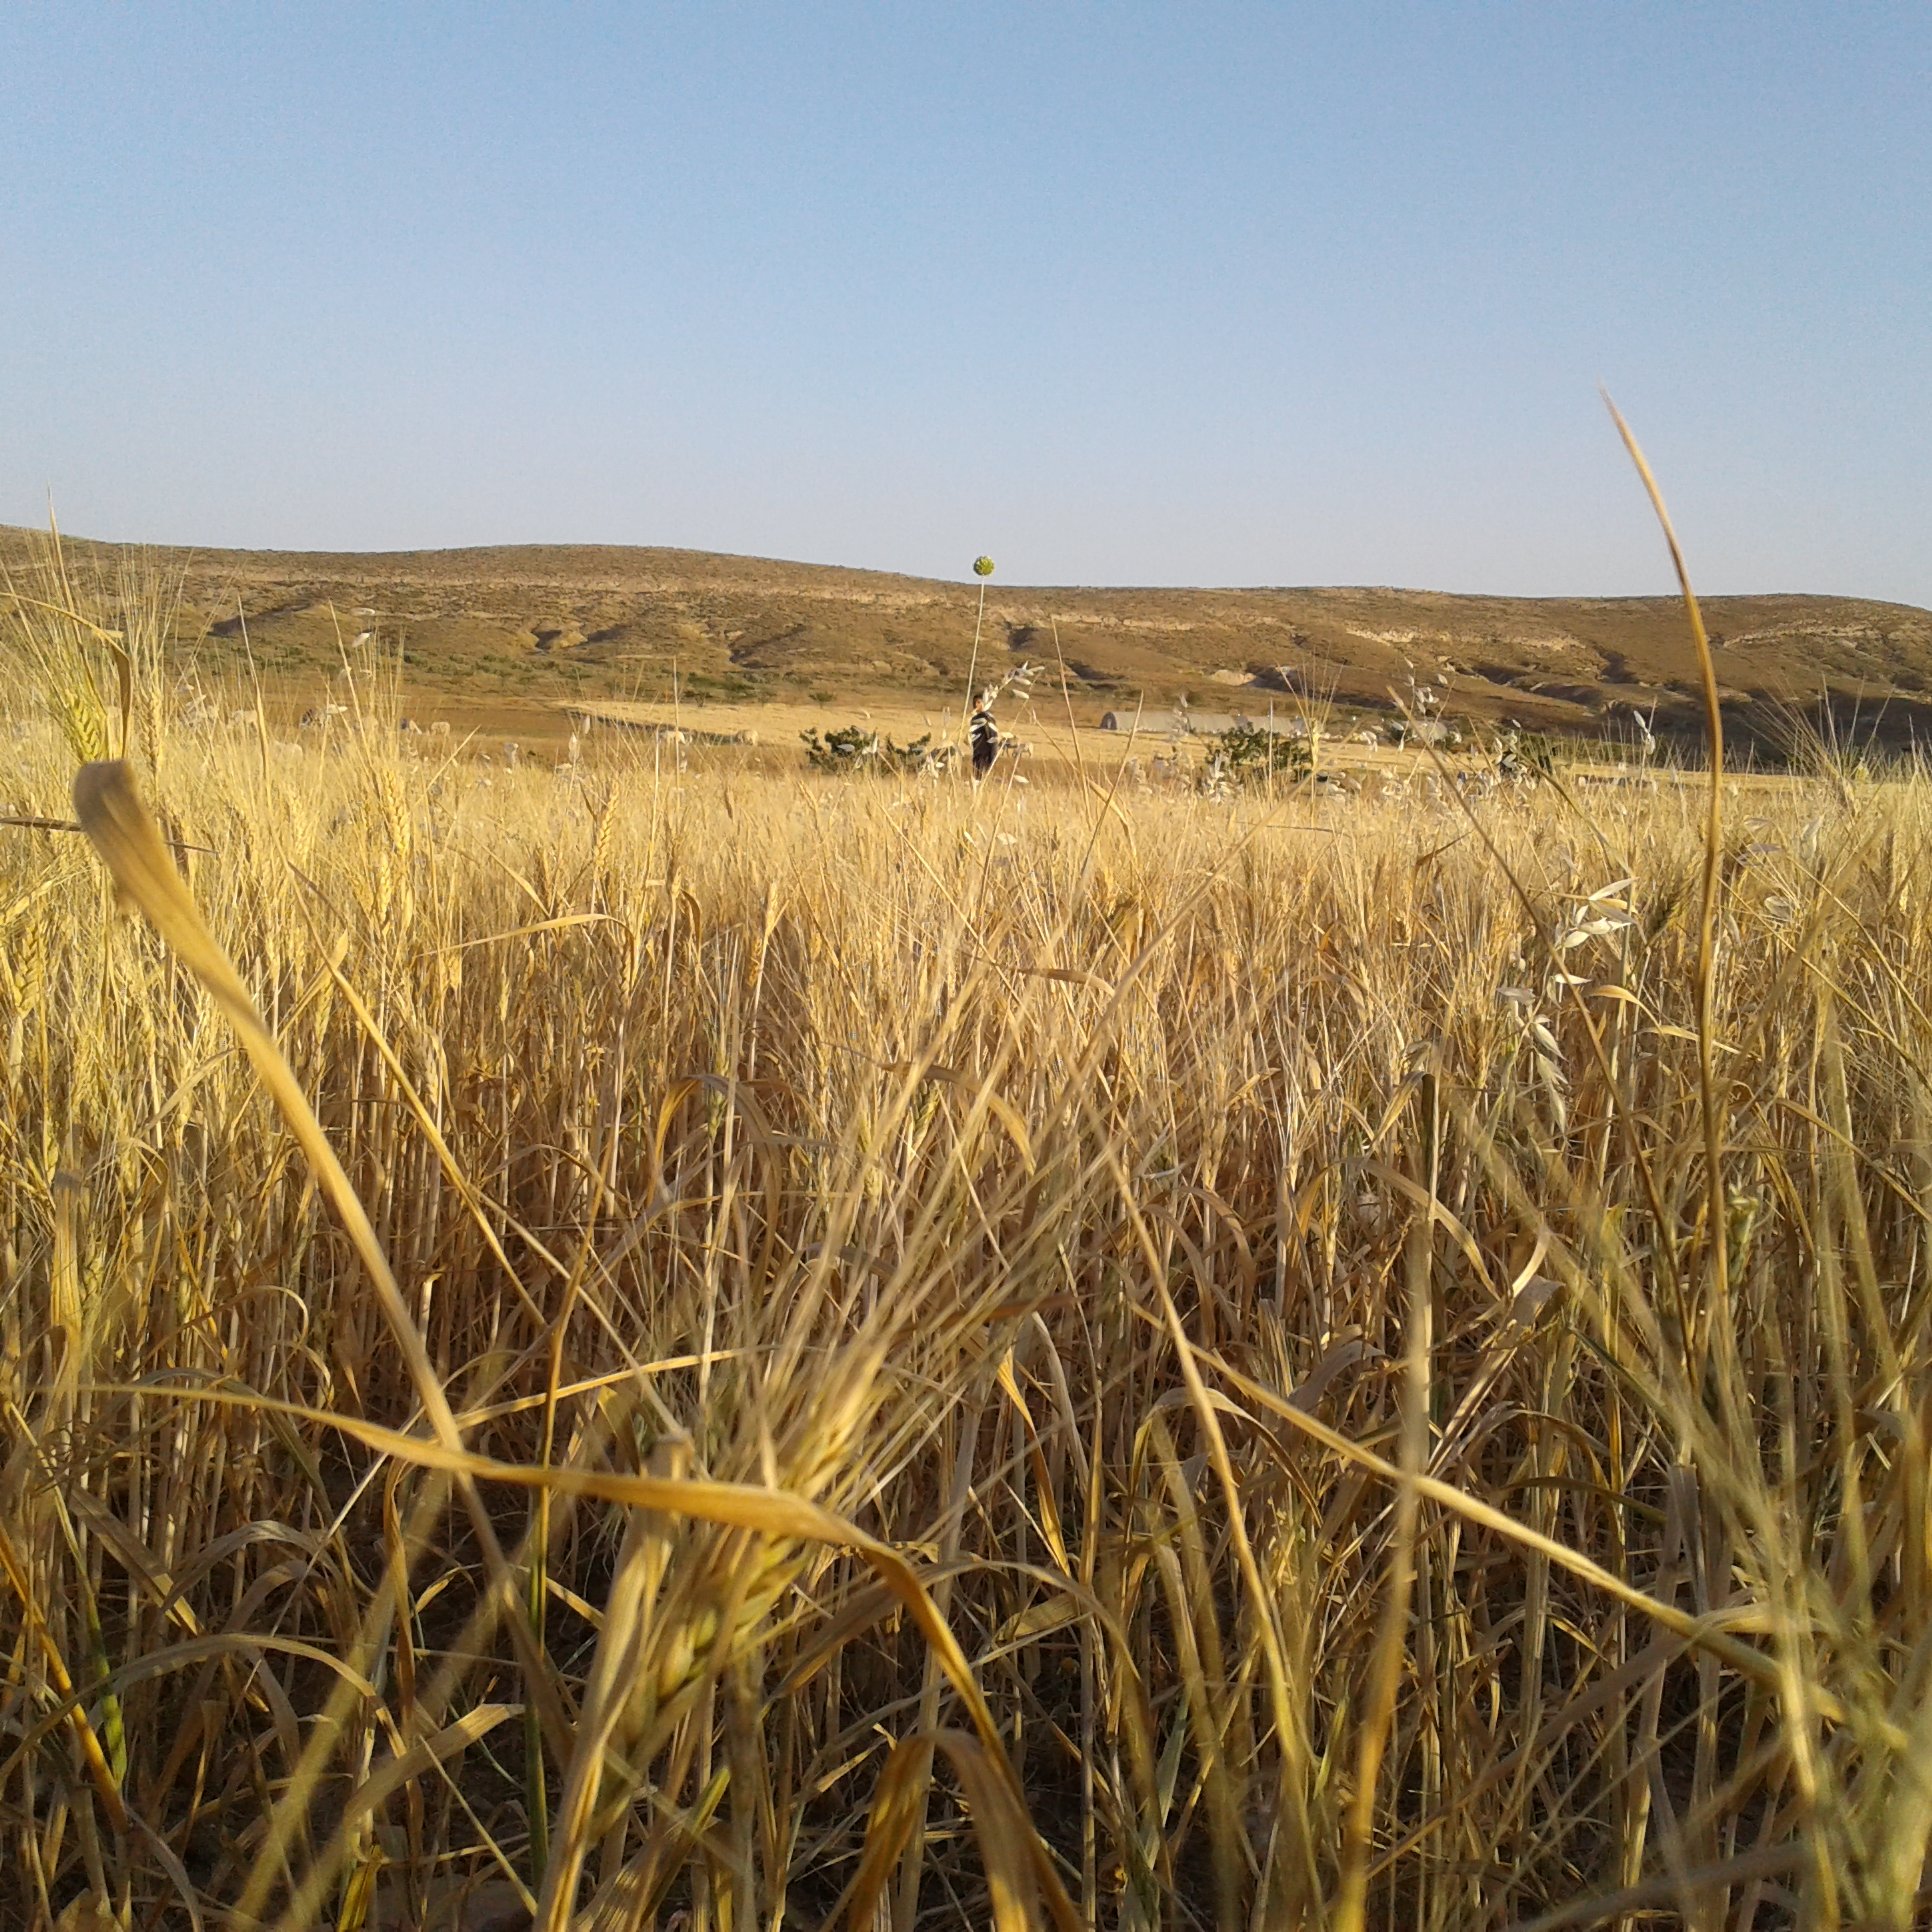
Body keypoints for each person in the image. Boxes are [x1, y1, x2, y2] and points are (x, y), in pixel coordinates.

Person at [969, 702, 1000, 779]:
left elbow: (993, 738)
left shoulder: (987, 718)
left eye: (979, 703)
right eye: (976, 703)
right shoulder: (976, 719)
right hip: (980, 750)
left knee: (983, 768)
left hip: (986, 749)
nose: (977, 705)